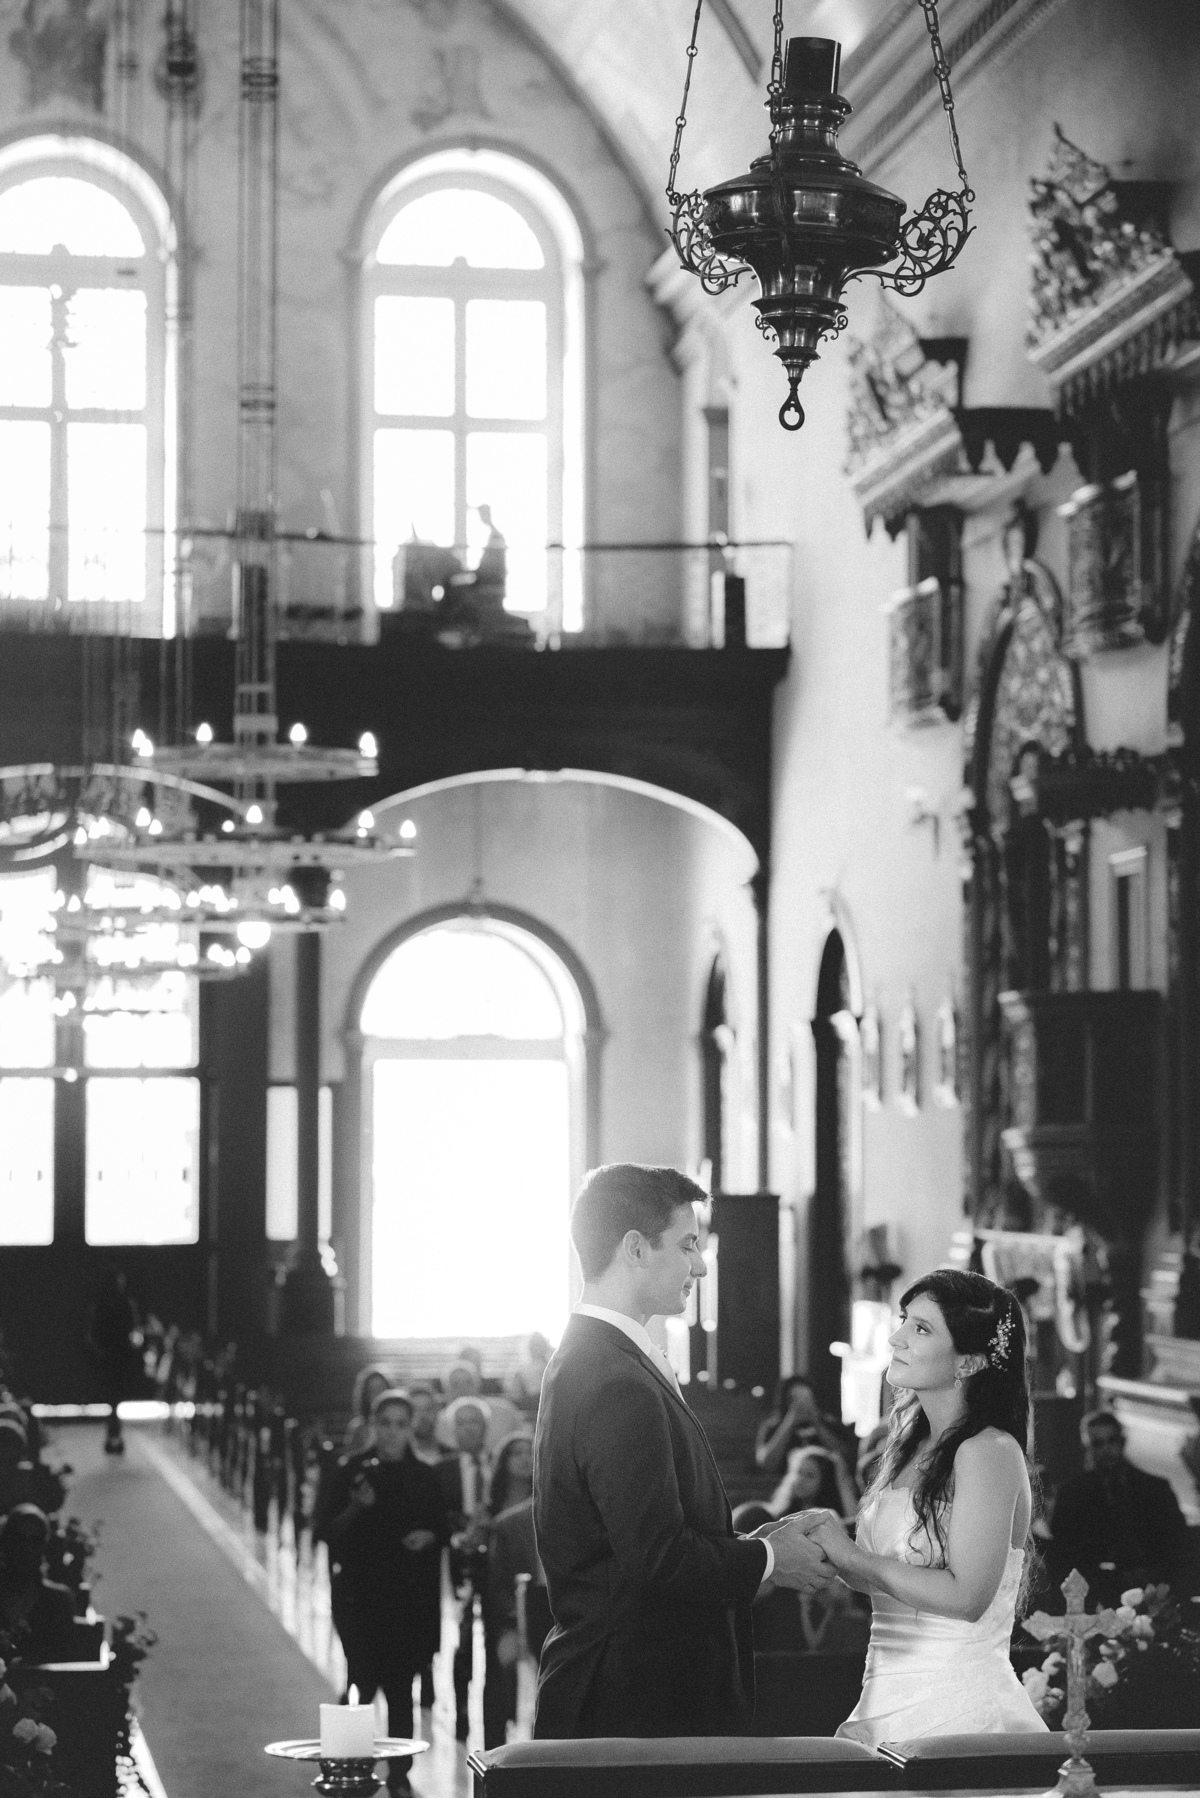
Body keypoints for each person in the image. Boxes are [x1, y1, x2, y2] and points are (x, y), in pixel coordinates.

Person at [533, 1162, 835, 1740]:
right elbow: (659, 1562)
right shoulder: (614, 1379)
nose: (700, 1265)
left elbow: (637, 1544)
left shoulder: (601, 1358)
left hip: (636, 1695)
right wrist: (771, 1560)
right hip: (632, 1708)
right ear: (635, 1249)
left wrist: (755, 1543)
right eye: (688, 1244)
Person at [806, 1269, 1048, 1745]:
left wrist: (851, 1555)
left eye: (920, 1329)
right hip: (883, 1698)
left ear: (969, 1362)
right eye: (904, 1320)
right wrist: (819, 1544)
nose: (896, 1338)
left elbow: (967, 1598)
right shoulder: (909, 1447)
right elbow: (880, 1578)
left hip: (959, 1711)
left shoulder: (988, 1451)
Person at [319, 1390, 448, 1797]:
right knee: (360, 1680)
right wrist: (358, 1506)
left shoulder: (424, 1476)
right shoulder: (351, 1471)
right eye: (385, 1423)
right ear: (374, 1425)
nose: (392, 1432)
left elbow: (441, 1528)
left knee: (400, 1688)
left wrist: (428, 1536)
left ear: (410, 1428)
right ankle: (346, 1767)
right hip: (359, 1597)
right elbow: (326, 1530)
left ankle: (399, 1774)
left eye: (400, 1424)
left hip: (407, 1598)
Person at [1046, 1409, 1188, 1605]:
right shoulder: (1071, 1495)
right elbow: (1062, 1558)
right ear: (1088, 1448)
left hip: (1152, 1591)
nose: (1107, 1449)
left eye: (1112, 1441)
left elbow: (1178, 1549)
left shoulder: (1156, 1489)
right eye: (1098, 1444)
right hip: (1097, 1594)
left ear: (1122, 1442)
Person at [435, 1398, 493, 1742]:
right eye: (461, 1422)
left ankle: (494, 1721)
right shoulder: (443, 1470)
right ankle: (460, 1715)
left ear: (485, 1428)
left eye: (475, 1422)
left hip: (494, 1560)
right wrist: (456, 1536)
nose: (468, 1428)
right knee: (462, 1638)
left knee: (492, 1637)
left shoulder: (497, 1465)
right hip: (456, 1562)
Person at [482, 1431, 541, 1748]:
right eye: (516, 1453)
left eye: (529, 1451)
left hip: (539, 1602)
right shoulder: (499, 1513)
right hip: (505, 1602)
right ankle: (496, 1748)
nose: (524, 1458)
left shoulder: (550, 1502)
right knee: (500, 1679)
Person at [755, 1375, 854, 1481]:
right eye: (795, 1399)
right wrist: (789, 1423)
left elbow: (844, 1457)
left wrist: (817, 1423)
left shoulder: (829, 1424)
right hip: (783, 1483)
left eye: (806, 1399)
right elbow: (765, 1463)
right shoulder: (772, 1426)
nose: (802, 1404)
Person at [344, 1364, 394, 1459]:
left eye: (381, 1389)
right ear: (365, 1396)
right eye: (372, 1391)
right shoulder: (358, 1428)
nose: (378, 1395)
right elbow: (350, 1460)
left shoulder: (400, 1424)